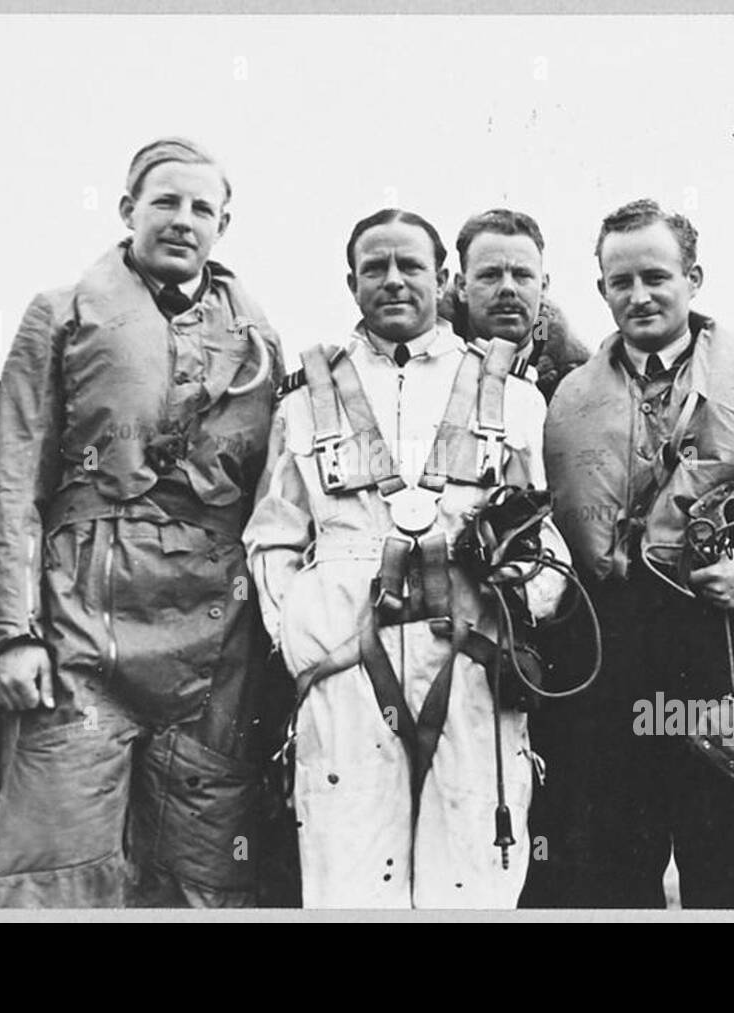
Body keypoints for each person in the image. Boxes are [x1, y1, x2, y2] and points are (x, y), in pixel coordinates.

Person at [0, 137, 284, 907]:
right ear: (127, 211)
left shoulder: (263, 344)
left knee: (202, 877)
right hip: (81, 632)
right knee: (58, 868)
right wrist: (12, 632)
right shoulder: (60, 314)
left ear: (223, 226)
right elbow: (14, 478)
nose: (183, 220)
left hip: (214, 650)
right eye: (165, 202)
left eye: (202, 208)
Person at [244, 208, 570, 908]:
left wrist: (524, 597)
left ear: (441, 278)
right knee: (347, 874)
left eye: (410, 266)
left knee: (476, 870)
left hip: (474, 654)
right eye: (375, 267)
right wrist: (304, 638)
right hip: (343, 659)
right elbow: (273, 539)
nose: (393, 280)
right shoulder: (304, 402)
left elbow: (543, 538)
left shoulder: (513, 397)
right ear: (351, 281)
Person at [541, 199, 734, 908]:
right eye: (620, 281)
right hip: (605, 674)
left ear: (694, 277)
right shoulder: (560, 398)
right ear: (600, 289)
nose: (639, 296)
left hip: (724, 659)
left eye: (656, 277)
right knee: (604, 882)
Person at [437, 207, 589, 403]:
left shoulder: (580, 385)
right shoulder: (422, 369)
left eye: (521, 275)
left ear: (543, 287)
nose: (507, 288)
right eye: (490, 275)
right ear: (462, 287)